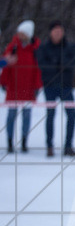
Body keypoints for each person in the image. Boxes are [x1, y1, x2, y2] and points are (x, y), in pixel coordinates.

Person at [37, 20, 75, 157]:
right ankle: (49, 146)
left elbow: (72, 62)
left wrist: (57, 62)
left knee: (72, 115)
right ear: (51, 32)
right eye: (55, 31)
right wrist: (60, 64)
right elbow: (42, 65)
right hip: (50, 86)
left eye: (60, 31)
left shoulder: (70, 46)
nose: (58, 33)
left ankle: (68, 146)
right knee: (50, 115)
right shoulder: (44, 47)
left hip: (66, 86)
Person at [1, 20, 42, 154]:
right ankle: (9, 142)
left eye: (23, 33)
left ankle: (24, 142)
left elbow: (38, 69)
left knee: (27, 116)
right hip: (13, 87)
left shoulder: (35, 49)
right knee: (11, 116)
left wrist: (37, 86)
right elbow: (6, 65)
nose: (20, 35)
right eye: (19, 32)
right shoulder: (13, 47)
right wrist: (3, 81)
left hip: (28, 88)